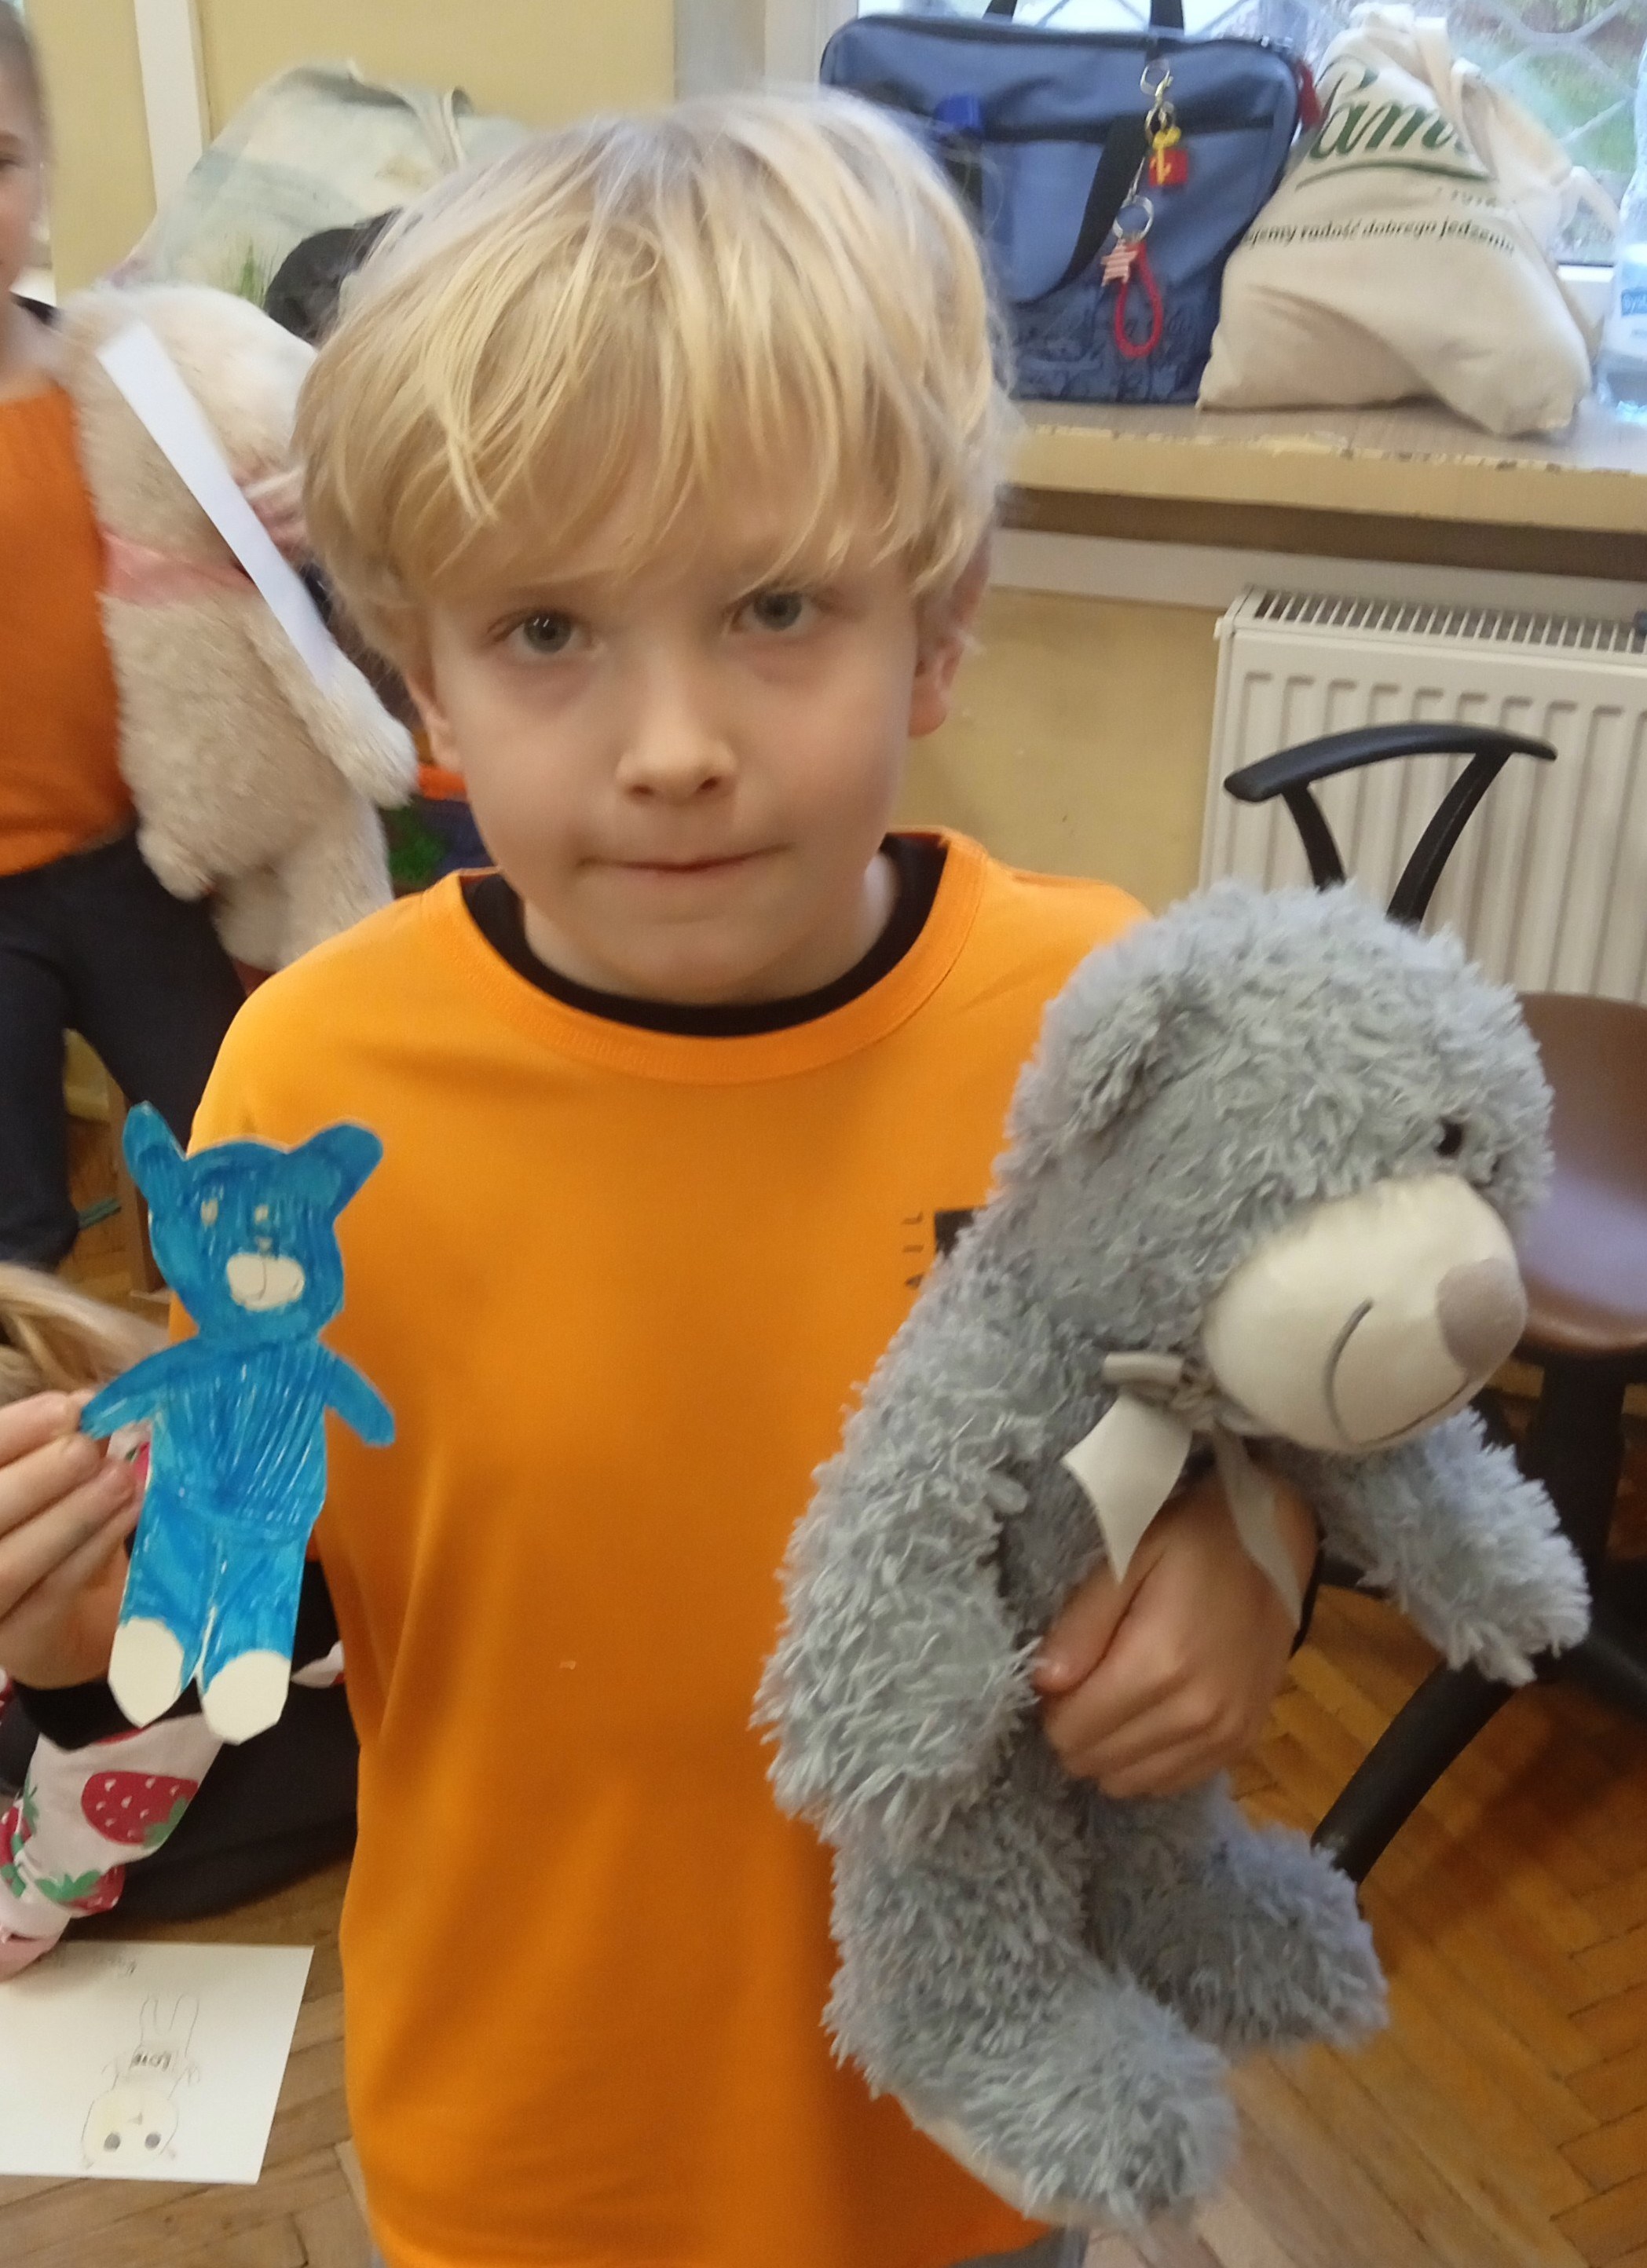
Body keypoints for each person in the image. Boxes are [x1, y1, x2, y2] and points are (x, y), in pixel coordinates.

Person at [0, 92, 1323, 2268]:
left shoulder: (1099, 1031)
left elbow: (1257, 1428)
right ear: (419, 670)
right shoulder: (313, 1082)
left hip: (975, 2139)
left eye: (776, 606)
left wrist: (1247, 1564)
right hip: (530, 2150)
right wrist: (86, 1641)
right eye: (548, 632)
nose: (676, 745)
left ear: (938, 622)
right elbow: (255, 1603)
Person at [0, 6, 247, 1267]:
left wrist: (283, 511)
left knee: (240, 1144)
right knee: (16, 1227)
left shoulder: (116, 380)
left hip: (129, 863)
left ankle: (264, 1367)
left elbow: (227, 528)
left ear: (43, 172)